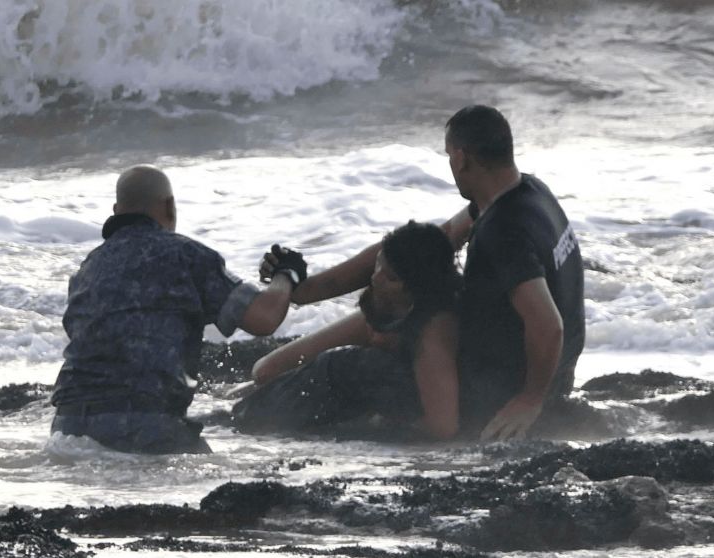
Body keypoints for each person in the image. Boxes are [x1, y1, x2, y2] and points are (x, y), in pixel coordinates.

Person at [264, 105, 584, 441]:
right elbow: (433, 242)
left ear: (461, 158)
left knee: (338, 367)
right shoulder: (527, 191)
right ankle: (267, 379)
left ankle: (252, 417)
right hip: (555, 378)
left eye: (448, 156)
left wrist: (529, 400)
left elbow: (549, 325)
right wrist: (308, 289)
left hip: (492, 394)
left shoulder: (503, 233)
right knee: (391, 306)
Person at [50, 165, 308, 454]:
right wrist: (286, 273)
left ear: (116, 211)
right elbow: (264, 318)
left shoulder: (87, 270)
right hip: (144, 425)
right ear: (169, 206)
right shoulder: (186, 255)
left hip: (66, 426)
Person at [233, 221, 460, 440]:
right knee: (265, 372)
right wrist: (285, 272)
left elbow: (443, 427)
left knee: (336, 366)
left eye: (390, 277)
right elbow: (305, 293)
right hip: (381, 360)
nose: (375, 278)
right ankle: (237, 404)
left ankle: (241, 417)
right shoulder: (383, 300)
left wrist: (374, 424)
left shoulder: (433, 330)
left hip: (399, 392)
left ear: (416, 290)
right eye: (378, 265)